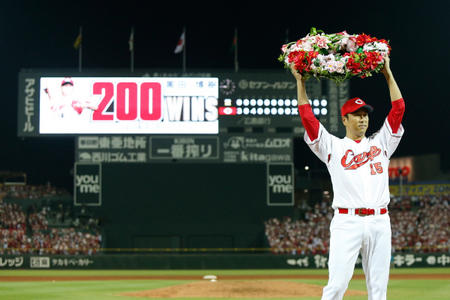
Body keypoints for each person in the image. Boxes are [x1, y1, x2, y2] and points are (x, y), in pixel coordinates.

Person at [291, 55, 405, 300]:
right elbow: (309, 120)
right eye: (356, 114)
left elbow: (398, 110)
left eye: (365, 114)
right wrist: (300, 83)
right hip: (347, 222)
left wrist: (387, 73)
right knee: (337, 286)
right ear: (345, 119)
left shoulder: (381, 142)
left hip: (380, 221)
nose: (363, 118)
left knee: (379, 291)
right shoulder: (333, 146)